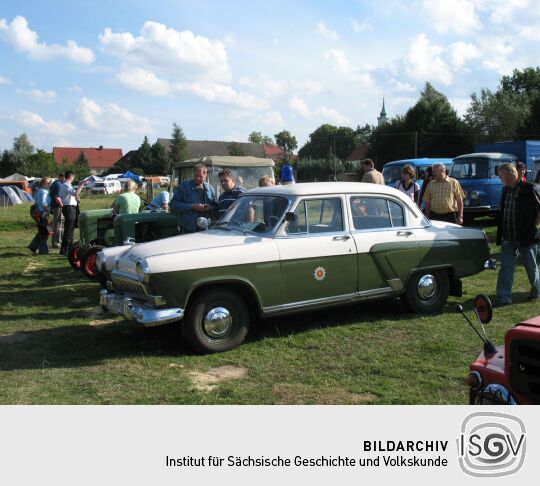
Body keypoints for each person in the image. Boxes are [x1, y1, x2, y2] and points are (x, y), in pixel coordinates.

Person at [495, 163, 540, 306]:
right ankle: (504, 298)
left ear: (510, 174)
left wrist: (535, 226)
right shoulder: (505, 190)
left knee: (531, 267)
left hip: (526, 237)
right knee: (506, 267)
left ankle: (536, 291)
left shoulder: (529, 188)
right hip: (508, 237)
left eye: (501, 176)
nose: (500, 178)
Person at [169, 164, 217, 233]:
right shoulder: (184, 186)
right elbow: (173, 204)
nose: (197, 178)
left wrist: (210, 207)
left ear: (205, 175)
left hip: (206, 228)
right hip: (188, 228)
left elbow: (215, 206)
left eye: (200, 176)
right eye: (195, 176)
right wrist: (192, 206)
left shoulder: (210, 188)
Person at [56, 171, 89, 255]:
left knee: (71, 229)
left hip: (71, 207)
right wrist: (82, 184)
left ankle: (69, 248)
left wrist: (76, 199)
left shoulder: (66, 185)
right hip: (69, 208)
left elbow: (73, 195)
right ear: (71, 176)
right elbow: (76, 193)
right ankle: (64, 250)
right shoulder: (66, 185)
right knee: (69, 229)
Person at [28, 178, 51, 255]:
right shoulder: (44, 192)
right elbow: (44, 204)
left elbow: (36, 201)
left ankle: (33, 246)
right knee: (45, 233)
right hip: (43, 213)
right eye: (48, 183)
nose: (49, 184)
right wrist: (49, 211)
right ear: (43, 183)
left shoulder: (38, 191)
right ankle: (43, 251)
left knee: (41, 232)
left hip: (38, 213)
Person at [48, 173, 65, 249]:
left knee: (57, 224)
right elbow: (57, 197)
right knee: (58, 225)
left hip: (54, 206)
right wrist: (63, 206)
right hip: (58, 207)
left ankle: (58, 242)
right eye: (64, 178)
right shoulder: (59, 184)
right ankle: (56, 243)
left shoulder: (55, 183)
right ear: (61, 177)